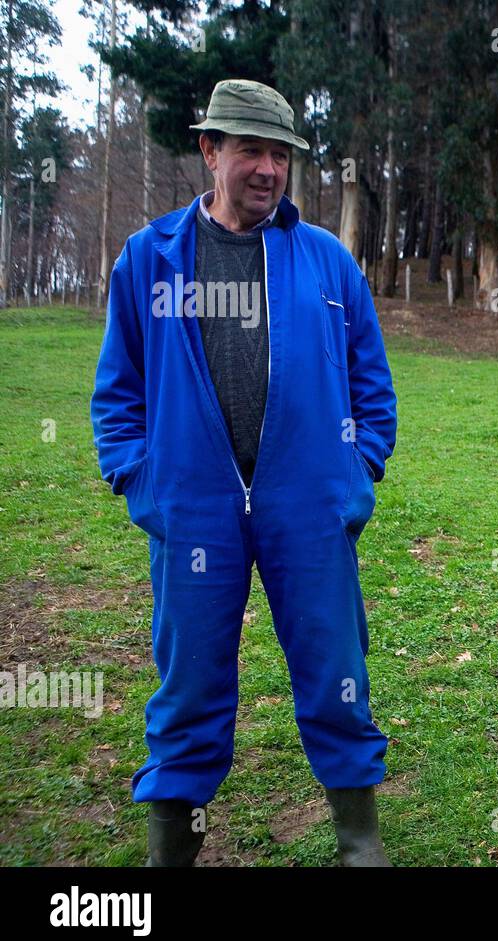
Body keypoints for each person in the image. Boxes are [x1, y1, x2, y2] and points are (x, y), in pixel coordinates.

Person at [90, 79, 397, 866]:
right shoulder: (149, 259)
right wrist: (142, 482)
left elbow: (373, 386)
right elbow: (117, 392)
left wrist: (353, 476)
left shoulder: (326, 261)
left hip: (309, 509)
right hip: (193, 510)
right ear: (210, 151)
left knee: (336, 673)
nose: (268, 169)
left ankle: (359, 844)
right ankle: (172, 856)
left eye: (281, 155)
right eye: (251, 150)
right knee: (188, 687)